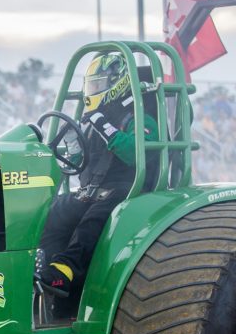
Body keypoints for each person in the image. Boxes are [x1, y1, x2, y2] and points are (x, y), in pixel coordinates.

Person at [37, 53, 159, 314]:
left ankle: (65, 270)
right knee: (53, 211)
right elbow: (79, 162)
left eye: (99, 84)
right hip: (91, 191)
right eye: (91, 84)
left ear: (117, 83)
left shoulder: (137, 116)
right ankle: (43, 270)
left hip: (126, 189)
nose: (93, 91)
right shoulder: (93, 119)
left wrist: (104, 126)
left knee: (92, 221)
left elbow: (136, 153)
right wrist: (73, 143)